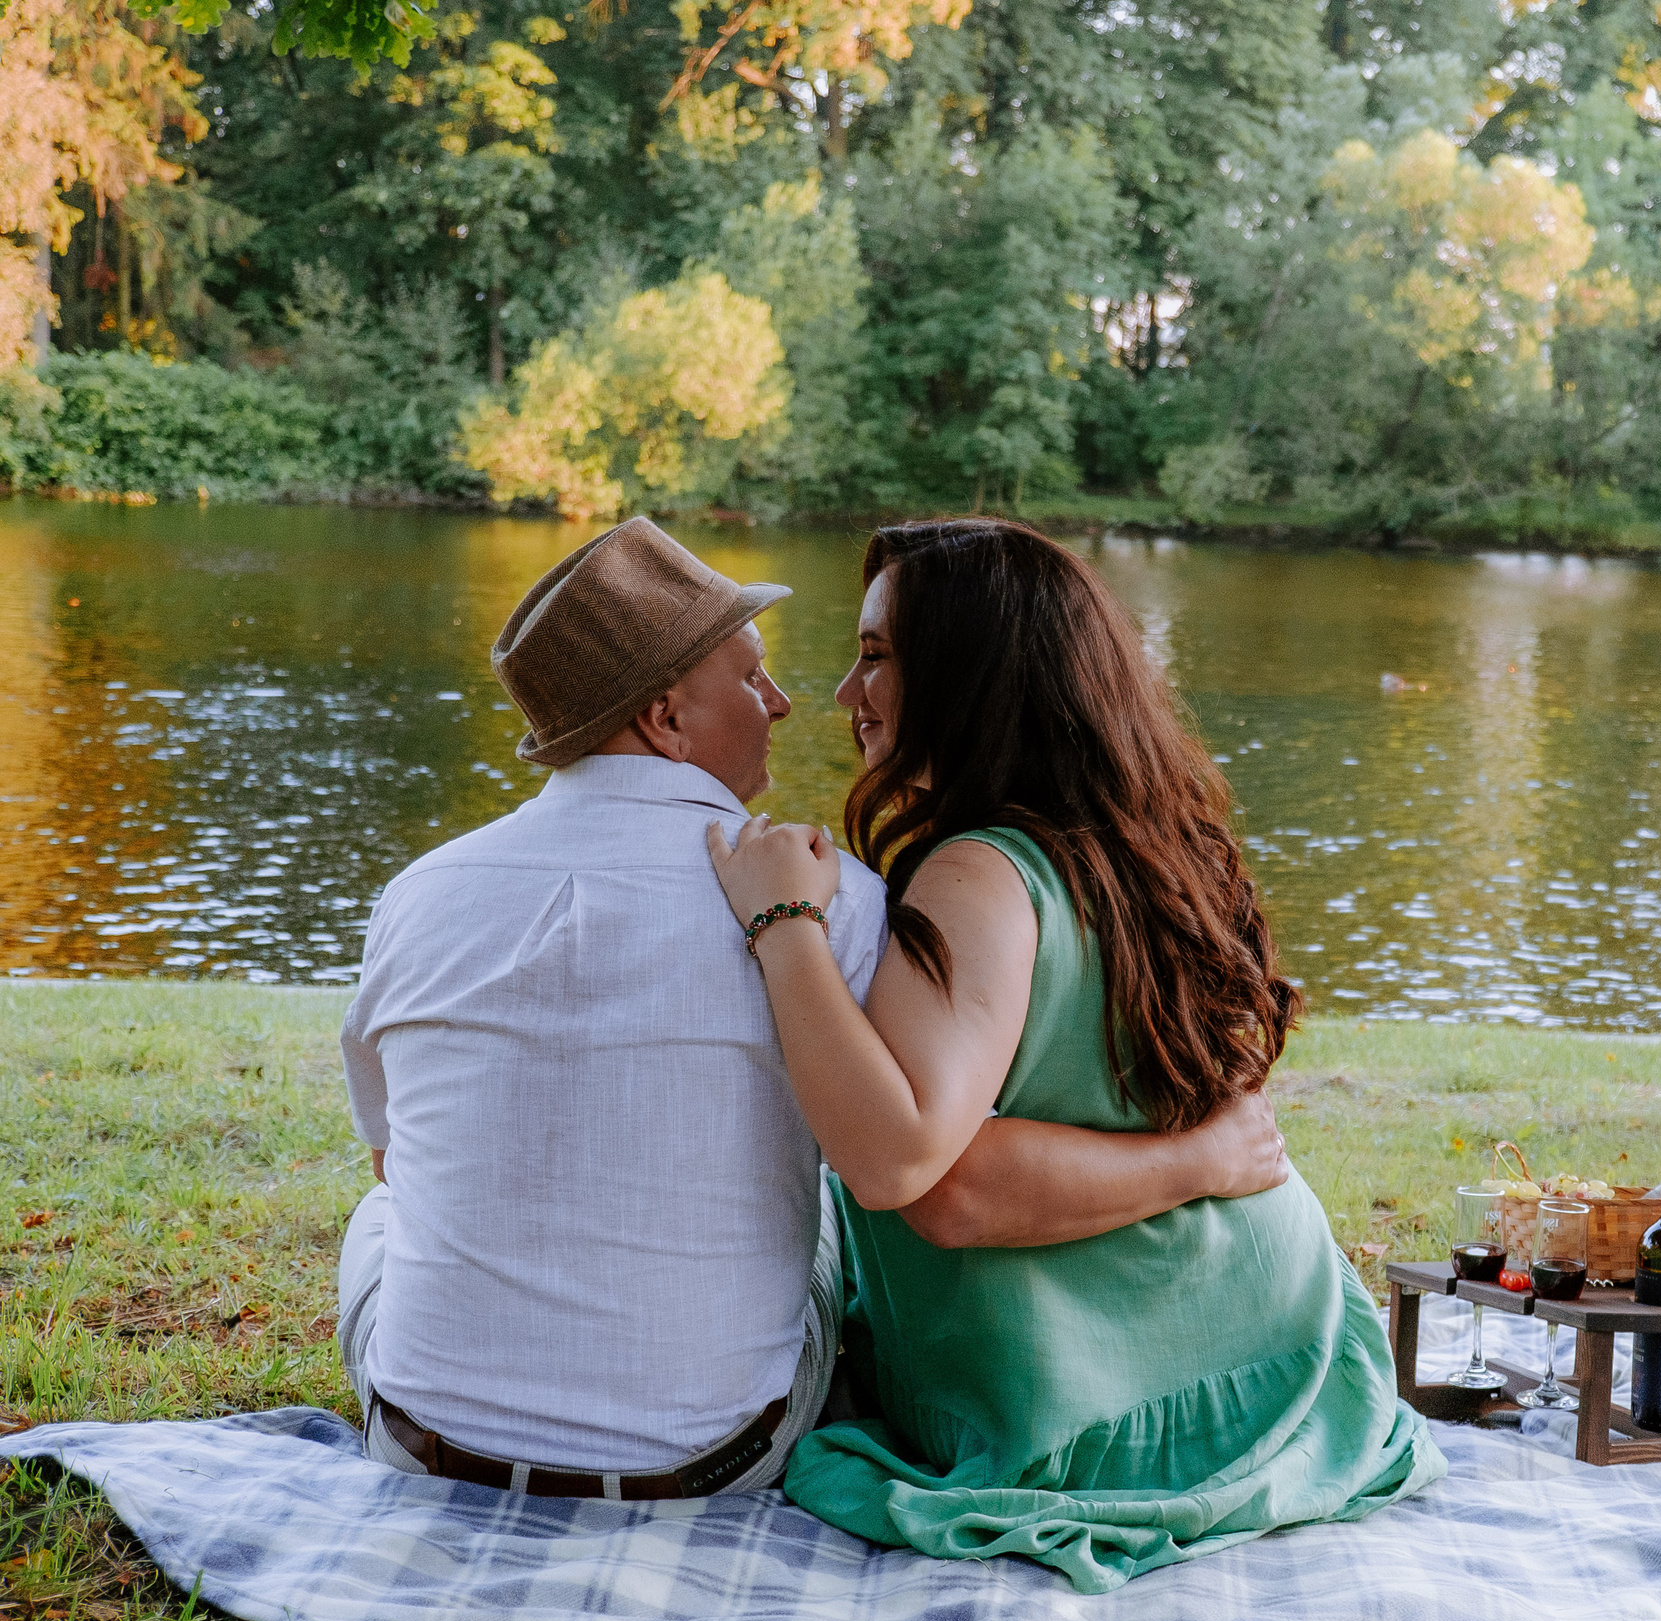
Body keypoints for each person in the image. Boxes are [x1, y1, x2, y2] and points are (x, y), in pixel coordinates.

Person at [336, 517, 1287, 1499]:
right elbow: (917, 1167)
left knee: (387, 1208)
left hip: (424, 1445)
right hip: (715, 1460)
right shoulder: (846, 902)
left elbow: (391, 1154)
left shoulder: (414, 896)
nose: (791, 703)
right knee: (816, 1213)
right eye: (753, 679)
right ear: (667, 719)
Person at [704, 517, 1445, 1591]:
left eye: (874, 655)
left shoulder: (977, 874)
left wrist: (783, 922)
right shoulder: (1152, 844)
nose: (843, 692)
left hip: (1094, 1408)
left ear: (971, 675)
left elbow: (918, 1174)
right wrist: (1198, 1163)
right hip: (1287, 1350)